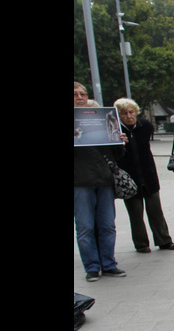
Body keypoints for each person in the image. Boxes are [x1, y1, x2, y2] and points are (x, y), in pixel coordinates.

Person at [113, 98, 174, 254]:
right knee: (135, 213)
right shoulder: (115, 131)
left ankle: (164, 240)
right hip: (129, 178)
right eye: (124, 114)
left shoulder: (145, 126)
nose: (129, 116)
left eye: (131, 112)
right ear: (119, 116)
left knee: (155, 210)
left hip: (148, 174)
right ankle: (141, 243)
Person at [74, 82, 126, 281]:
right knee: (85, 227)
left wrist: (119, 140)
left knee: (107, 225)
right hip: (80, 182)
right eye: (75, 94)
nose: (80, 97)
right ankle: (92, 267)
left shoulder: (102, 118)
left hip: (104, 180)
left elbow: (117, 155)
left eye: (83, 94)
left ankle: (109, 263)